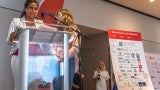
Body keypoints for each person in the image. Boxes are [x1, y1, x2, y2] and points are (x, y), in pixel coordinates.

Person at [6, 0, 43, 90]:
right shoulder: (16, 21)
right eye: (30, 8)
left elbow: (43, 41)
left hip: (36, 59)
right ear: (25, 8)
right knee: (20, 86)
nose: (33, 11)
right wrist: (11, 38)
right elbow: (8, 41)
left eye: (35, 9)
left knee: (33, 86)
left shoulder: (40, 23)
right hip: (18, 57)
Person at [54, 9, 80, 90]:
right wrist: (55, 56)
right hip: (57, 60)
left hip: (68, 60)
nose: (57, 18)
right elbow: (52, 46)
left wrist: (64, 56)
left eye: (59, 16)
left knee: (66, 86)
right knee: (57, 85)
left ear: (65, 17)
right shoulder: (56, 30)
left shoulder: (73, 30)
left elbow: (76, 47)